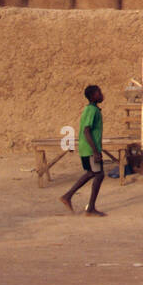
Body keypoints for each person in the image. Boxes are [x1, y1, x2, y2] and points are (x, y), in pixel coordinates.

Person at [60, 85, 105, 216]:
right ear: (92, 96)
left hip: (87, 148)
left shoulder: (92, 109)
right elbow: (86, 130)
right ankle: (90, 208)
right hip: (90, 149)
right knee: (99, 174)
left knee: (92, 173)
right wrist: (95, 151)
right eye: (98, 93)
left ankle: (67, 196)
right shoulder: (92, 110)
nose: (101, 94)